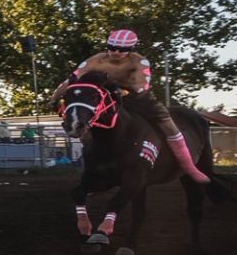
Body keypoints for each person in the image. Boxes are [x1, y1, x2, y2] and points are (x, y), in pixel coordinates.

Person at [53, 27, 208, 184]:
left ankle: (189, 166)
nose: (116, 52)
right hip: (107, 98)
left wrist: (121, 90)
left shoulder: (140, 61)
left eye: (122, 49)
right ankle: (95, 169)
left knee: (167, 121)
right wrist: (55, 97)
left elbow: (142, 86)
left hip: (138, 98)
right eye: (112, 47)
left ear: (130, 49)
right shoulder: (96, 59)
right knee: (87, 118)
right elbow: (73, 78)